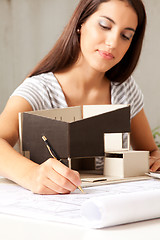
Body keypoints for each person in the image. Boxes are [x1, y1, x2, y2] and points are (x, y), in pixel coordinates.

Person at [0, 0, 160, 195]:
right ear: (80, 23)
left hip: (111, 211)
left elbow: (151, 152)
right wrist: (31, 174)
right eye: (104, 26)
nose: (113, 43)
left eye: (126, 36)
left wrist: (155, 159)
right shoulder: (40, 90)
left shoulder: (125, 90)